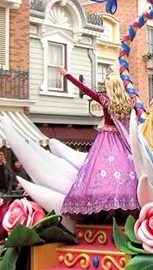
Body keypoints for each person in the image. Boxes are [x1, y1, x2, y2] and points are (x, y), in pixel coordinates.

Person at [59, 67, 138, 215]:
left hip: (106, 141)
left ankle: (104, 213)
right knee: (126, 173)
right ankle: (121, 211)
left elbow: (85, 89)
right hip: (124, 141)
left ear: (110, 87)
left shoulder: (105, 100)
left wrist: (67, 75)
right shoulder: (131, 101)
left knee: (97, 174)